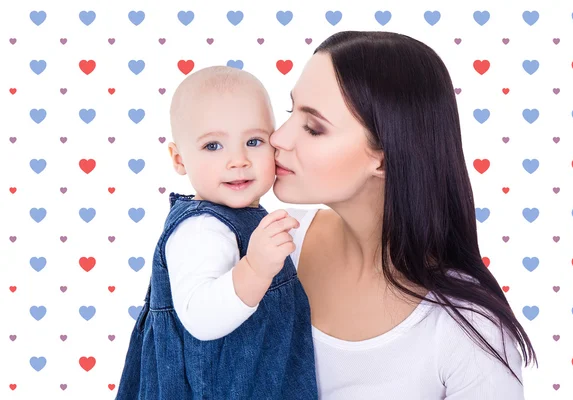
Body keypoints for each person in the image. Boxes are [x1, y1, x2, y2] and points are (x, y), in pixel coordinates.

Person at [268, 31, 538, 399]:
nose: (278, 138)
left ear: (383, 157)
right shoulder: (273, 243)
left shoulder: (467, 325)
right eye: (290, 111)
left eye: (313, 128)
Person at [115, 66, 318, 399]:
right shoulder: (200, 229)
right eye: (213, 146)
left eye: (253, 141)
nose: (237, 160)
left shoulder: (247, 217)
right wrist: (255, 269)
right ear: (179, 159)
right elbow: (202, 317)